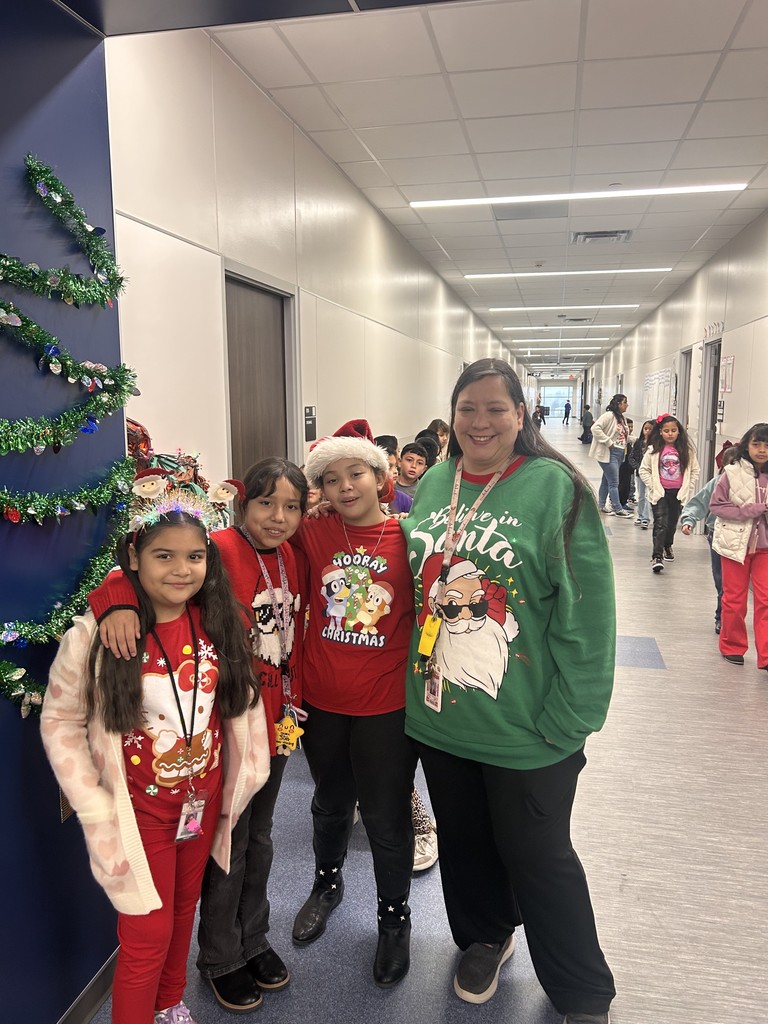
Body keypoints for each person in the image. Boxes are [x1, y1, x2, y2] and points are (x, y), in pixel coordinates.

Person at [401, 358, 615, 1024]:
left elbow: (588, 610)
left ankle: (582, 989)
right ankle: (485, 938)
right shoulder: (434, 482)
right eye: (468, 408)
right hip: (440, 716)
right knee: (465, 843)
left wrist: (572, 716)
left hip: (529, 724)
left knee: (538, 855)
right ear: (452, 416)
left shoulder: (556, 488)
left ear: (521, 415)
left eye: (496, 408)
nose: (481, 422)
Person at [40, 476, 270, 1024]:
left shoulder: (217, 621)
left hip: (199, 804)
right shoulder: (96, 636)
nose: (181, 570)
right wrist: (93, 803)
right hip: (137, 813)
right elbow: (61, 720)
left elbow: (237, 704)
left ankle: (169, 1005)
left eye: (194, 556)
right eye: (163, 555)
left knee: (184, 911)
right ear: (134, 559)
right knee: (146, 935)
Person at [85, 460, 308, 1013]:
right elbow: (138, 569)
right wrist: (113, 595)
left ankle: (248, 943)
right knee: (218, 863)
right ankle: (222, 956)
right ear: (241, 505)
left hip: (263, 731)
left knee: (255, 840)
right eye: (265, 503)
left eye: (292, 507)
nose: (278, 517)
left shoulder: (294, 554)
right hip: (168, 777)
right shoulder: (220, 548)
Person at [291, 420, 418, 988]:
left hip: (386, 703)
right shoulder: (313, 532)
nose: (345, 487)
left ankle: (394, 918)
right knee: (330, 802)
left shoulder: (409, 538)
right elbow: (245, 540)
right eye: (331, 479)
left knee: (387, 818)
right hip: (323, 698)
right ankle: (327, 884)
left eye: (356, 473)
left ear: (380, 476)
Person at [710, 423, 768, 667]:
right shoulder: (731, 473)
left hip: (765, 549)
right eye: (757, 444)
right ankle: (732, 645)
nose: (762, 450)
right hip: (735, 545)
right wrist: (751, 510)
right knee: (734, 599)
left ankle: (766, 656)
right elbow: (716, 506)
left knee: (766, 600)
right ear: (746, 445)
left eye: (767, 445)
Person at [681, 446, 740, 635]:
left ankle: (729, 617)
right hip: (718, 535)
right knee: (721, 580)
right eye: (731, 465)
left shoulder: (753, 484)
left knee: (734, 584)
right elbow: (699, 502)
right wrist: (689, 520)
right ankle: (721, 616)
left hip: (742, 537)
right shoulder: (717, 483)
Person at [639, 414, 700, 573]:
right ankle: (657, 556)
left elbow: (695, 470)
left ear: (679, 431)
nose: (670, 434)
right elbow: (643, 470)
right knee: (660, 523)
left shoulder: (687, 451)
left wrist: (688, 486)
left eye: (673, 430)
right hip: (659, 493)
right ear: (660, 432)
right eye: (666, 431)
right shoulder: (653, 450)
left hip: (678, 493)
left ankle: (667, 545)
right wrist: (653, 486)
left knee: (671, 524)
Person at [589, 394, 633, 517]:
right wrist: (608, 442)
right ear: (619, 404)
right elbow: (595, 428)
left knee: (606, 480)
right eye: (625, 402)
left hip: (620, 453)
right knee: (614, 482)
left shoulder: (622, 418)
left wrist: (637, 439)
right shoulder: (609, 415)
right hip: (610, 453)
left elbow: (623, 436)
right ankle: (618, 508)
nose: (627, 405)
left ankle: (601, 505)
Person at [630, 420, 654, 528]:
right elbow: (631, 457)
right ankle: (640, 516)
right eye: (645, 429)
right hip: (640, 474)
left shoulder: (656, 445)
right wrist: (637, 467)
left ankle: (645, 518)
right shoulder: (638, 443)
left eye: (650, 429)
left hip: (651, 475)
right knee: (641, 496)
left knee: (648, 495)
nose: (647, 431)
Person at [617, 418, 636, 508]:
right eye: (629, 427)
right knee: (621, 484)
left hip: (629, 466)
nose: (630, 428)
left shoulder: (632, 438)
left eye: (632, 427)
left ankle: (624, 501)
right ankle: (619, 502)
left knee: (628, 484)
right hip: (622, 465)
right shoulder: (622, 438)